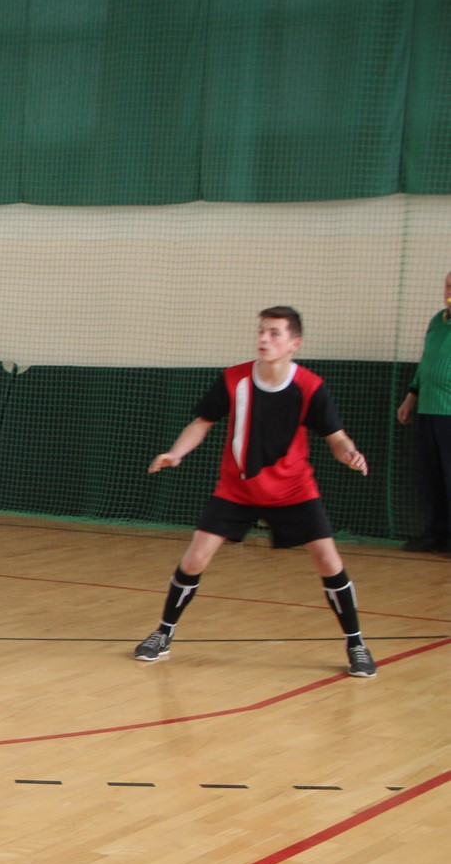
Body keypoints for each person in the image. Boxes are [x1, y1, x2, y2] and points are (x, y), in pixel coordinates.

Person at [135, 306, 376, 677]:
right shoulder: (234, 379)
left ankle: (356, 644)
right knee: (196, 557)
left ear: (294, 343)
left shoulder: (310, 387)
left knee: (329, 561)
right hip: (238, 488)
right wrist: (176, 453)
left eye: (274, 333)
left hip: (294, 489)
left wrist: (349, 453)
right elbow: (202, 422)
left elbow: (336, 437)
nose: (264, 338)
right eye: (262, 331)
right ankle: (163, 634)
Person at [396, 271, 451, 554]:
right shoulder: (436, 321)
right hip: (428, 409)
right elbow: (426, 362)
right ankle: (434, 534)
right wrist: (411, 397)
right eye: (448, 285)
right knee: (431, 477)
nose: (449, 291)